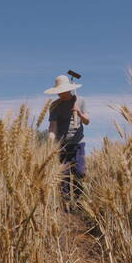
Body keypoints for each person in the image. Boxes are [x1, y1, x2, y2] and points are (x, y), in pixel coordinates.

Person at [44, 75, 90, 205]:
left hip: (78, 142)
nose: (60, 94)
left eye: (62, 91)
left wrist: (79, 113)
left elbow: (87, 121)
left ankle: (79, 200)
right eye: (58, 91)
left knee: (80, 171)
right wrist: (50, 140)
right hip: (62, 144)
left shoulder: (80, 101)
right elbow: (53, 127)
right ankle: (66, 203)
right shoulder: (54, 106)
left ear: (69, 89)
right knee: (63, 175)